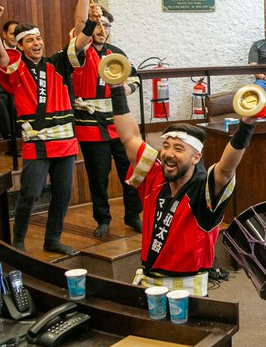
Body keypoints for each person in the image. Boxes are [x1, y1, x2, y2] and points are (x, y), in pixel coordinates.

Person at [109, 76, 257, 290]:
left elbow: (226, 169)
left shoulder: (203, 191)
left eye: (178, 149)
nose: (168, 153)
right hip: (148, 286)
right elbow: (130, 137)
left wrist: (247, 125)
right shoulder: (155, 177)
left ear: (196, 158)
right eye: (166, 146)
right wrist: (116, 89)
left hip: (187, 291)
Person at [0, 0, 101, 255]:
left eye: (38, 38)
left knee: (63, 194)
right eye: (30, 40)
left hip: (65, 141)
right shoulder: (16, 68)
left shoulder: (57, 63)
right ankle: (18, 240)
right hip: (36, 142)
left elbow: (79, 42)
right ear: (20, 45)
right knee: (30, 193)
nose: (36, 43)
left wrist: (92, 22)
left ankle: (52, 239)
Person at [69, 0, 142, 238]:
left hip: (119, 124)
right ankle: (102, 219)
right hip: (90, 124)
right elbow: (80, 23)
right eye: (99, 25)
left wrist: (127, 87)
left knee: (130, 170)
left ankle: (133, 214)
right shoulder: (79, 51)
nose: (102, 30)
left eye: (107, 26)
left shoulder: (117, 53)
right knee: (98, 176)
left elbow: (135, 78)